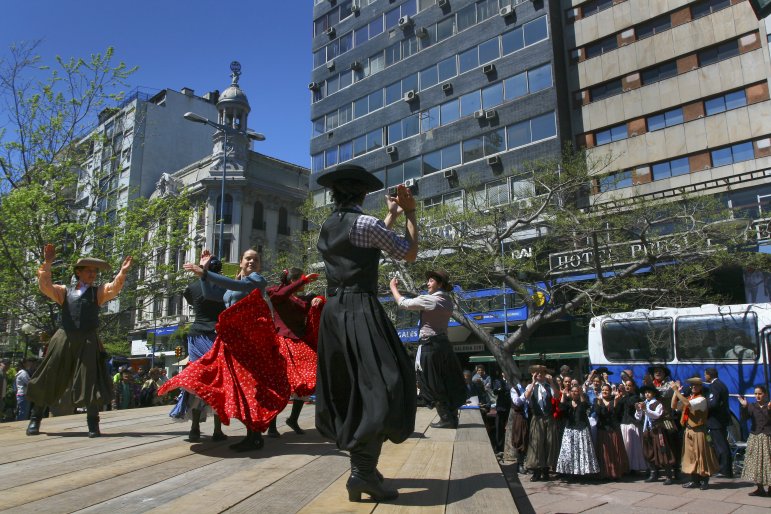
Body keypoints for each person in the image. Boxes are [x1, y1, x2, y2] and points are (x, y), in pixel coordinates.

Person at [314, 164, 418, 503]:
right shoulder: (367, 224)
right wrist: (410, 215)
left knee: (351, 388)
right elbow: (408, 252)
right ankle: (362, 472)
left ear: (335, 194)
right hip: (360, 309)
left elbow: (363, 243)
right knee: (385, 384)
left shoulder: (328, 225)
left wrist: (388, 217)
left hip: (333, 312)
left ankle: (363, 472)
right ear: (362, 194)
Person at [158, 248, 290, 453]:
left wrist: (206, 274)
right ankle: (249, 434)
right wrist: (204, 271)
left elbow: (240, 285)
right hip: (231, 342)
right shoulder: (232, 285)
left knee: (249, 388)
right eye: (248, 258)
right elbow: (210, 293)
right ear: (240, 262)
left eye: (255, 259)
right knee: (222, 380)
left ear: (259, 265)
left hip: (248, 343)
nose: (251, 262)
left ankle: (254, 436)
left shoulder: (256, 280)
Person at [27, 244, 132, 437]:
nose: (93, 274)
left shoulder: (97, 292)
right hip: (64, 336)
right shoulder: (64, 291)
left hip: (88, 338)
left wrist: (122, 273)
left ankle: (93, 424)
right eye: (89, 271)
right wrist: (48, 263)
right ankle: (35, 419)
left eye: (95, 271)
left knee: (89, 378)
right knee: (50, 374)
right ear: (78, 272)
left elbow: (113, 288)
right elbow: (45, 285)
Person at [389, 269, 465, 429]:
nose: (427, 283)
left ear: (440, 283)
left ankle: (446, 419)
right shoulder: (448, 301)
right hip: (444, 345)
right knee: (444, 380)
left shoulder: (432, 300)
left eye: (431, 280)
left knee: (430, 381)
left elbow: (403, 303)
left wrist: (393, 288)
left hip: (430, 345)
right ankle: (451, 417)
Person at [169, 255, 226, 442]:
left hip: (196, 337)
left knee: (197, 381)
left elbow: (191, 298)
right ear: (219, 272)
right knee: (219, 382)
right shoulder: (224, 287)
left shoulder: (192, 288)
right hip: (216, 336)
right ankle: (218, 429)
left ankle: (195, 427)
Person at [266, 267, 325, 437]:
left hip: (299, 342)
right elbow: (279, 296)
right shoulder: (275, 292)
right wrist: (304, 280)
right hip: (281, 340)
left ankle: (293, 418)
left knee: (309, 377)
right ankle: (272, 425)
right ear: (293, 281)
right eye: (300, 281)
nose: (304, 284)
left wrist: (319, 299)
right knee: (281, 381)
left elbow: (321, 300)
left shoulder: (304, 298)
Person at [670, 378, 719, 489]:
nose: (693, 387)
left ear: (701, 387)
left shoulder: (701, 399)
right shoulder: (689, 397)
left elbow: (687, 404)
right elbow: (674, 406)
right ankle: (694, 480)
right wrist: (675, 391)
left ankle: (704, 481)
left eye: (696, 386)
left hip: (699, 431)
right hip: (689, 430)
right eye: (692, 386)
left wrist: (676, 391)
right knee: (690, 456)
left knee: (702, 456)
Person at [524, 365, 560, 481]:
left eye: (542, 373)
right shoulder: (530, 386)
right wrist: (533, 382)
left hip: (548, 418)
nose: (540, 374)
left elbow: (557, 396)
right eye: (537, 373)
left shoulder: (549, 386)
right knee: (536, 443)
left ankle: (546, 471)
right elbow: (526, 397)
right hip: (537, 418)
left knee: (548, 443)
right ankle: (536, 472)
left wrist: (552, 382)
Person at [556, 385, 599, 479]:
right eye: (573, 391)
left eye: (576, 391)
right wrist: (563, 395)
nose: (575, 393)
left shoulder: (582, 402)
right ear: (570, 392)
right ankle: (570, 473)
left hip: (581, 430)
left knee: (582, 452)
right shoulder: (567, 404)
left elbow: (585, 406)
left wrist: (581, 393)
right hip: (570, 430)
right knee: (569, 452)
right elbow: (561, 408)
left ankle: (582, 473)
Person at [636, 385, 677, 484]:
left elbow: (657, 415)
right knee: (648, 452)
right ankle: (653, 473)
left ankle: (668, 475)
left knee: (662, 451)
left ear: (653, 394)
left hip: (658, 430)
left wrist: (646, 409)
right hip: (647, 431)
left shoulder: (657, 403)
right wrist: (638, 410)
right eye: (645, 392)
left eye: (649, 392)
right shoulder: (644, 403)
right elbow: (638, 418)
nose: (647, 394)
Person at [738, 385, 771, 496]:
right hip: (755, 436)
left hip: (767, 437)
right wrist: (744, 407)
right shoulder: (752, 406)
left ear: (765, 394)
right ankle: (760, 488)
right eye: (756, 393)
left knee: (768, 463)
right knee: (756, 463)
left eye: (760, 393)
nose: (757, 396)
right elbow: (744, 419)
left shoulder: (769, 406)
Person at [595, 384, 629, 480]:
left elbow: (616, 414)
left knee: (615, 451)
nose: (605, 391)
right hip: (603, 429)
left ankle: (615, 472)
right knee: (604, 452)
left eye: (607, 390)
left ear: (610, 391)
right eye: (603, 390)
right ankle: (604, 473)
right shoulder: (598, 400)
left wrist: (615, 403)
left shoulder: (615, 400)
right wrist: (599, 403)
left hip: (613, 429)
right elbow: (598, 413)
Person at [704, 367, 733, 477]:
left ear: (709, 375)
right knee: (722, 444)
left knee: (720, 445)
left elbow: (713, 403)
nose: (704, 377)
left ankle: (724, 470)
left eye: (705, 374)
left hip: (716, 420)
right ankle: (725, 469)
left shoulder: (715, 386)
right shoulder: (720, 384)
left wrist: (704, 405)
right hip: (720, 420)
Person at [618, 380, 647, 473]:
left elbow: (631, 404)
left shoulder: (636, 397)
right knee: (626, 446)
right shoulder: (624, 397)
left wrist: (623, 395)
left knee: (633, 447)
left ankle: (634, 467)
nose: (627, 387)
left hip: (632, 424)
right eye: (626, 385)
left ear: (633, 387)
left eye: (629, 385)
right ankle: (626, 466)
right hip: (624, 423)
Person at [508, 378, 529, 473]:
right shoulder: (514, 389)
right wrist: (525, 394)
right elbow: (517, 402)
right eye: (526, 382)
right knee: (520, 439)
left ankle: (529, 464)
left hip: (529, 416)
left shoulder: (529, 388)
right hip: (519, 416)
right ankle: (519, 464)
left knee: (528, 440)